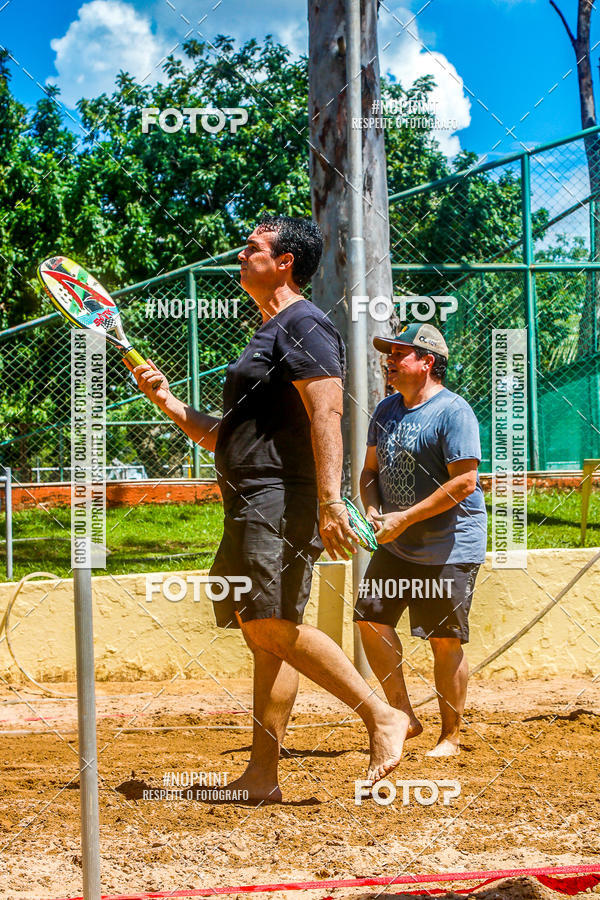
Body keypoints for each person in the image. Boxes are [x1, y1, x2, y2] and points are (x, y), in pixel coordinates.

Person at [127, 215, 410, 801]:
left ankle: (382, 716)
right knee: (265, 635)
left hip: (282, 497)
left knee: (270, 622)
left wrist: (332, 500)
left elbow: (327, 411)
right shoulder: (269, 332)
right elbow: (225, 435)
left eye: (251, 248)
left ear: (285, 262)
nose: (240, 256)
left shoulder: (304, 323)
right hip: (254, 496)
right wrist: (167, 400)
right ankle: (262, 775)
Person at [354, 323, 487, 757]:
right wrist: (373, 511)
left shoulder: (454, 411)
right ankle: (403, 716)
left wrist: (404, 519)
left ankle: (451, 735)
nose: (388, 361)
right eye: (388, 354)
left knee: (443, 638)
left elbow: (465, 481)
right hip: (396, 541)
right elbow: (369, 472)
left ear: (427, 361)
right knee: (370, 619)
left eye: (399, 354)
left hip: (449, 544)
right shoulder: (385, 410)